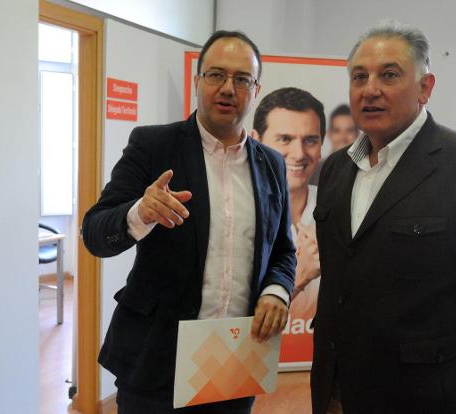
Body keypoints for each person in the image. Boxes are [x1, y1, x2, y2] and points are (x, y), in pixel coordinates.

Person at [311, 21, 456, 414]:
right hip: (339, 389)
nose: (370, 89)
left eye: (390, 74)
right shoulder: (333, 170)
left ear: (425, 88)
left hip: (437, 396)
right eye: (359, 76)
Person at [82, 30, 296, 414]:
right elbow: (95, 233)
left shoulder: (272, 164)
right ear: (198, 82)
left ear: (256, 90)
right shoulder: (153, 145)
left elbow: (283, 250)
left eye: (242, 79)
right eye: (216, 75)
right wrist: (139, 213)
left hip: (234, 358)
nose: (228, 88)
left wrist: (276, 292)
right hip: (158, 360)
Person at [252, 87, 324, 320]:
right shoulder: (234, 210)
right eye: (285, 139)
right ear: (255, 141)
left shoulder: (337, 208)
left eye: (310, 140)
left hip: (319, 353)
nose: (299, 153)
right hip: (253, 352)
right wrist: (301, 273)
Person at [309, 104, 358, 185]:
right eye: (337, 131)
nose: (343, 137)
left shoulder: (367, 171)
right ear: (328, 134)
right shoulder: (315, 170)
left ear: (357, 134)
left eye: (349, 130)